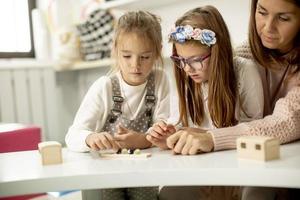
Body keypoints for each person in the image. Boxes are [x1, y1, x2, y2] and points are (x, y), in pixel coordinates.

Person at [157, 0, 300, 199]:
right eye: (262, 12)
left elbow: (287, 122)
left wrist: (211, 137)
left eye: (283, 18)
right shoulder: (247, 53)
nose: (268, 28)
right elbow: (223, 63)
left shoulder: (246, 67)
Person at [146, 5, 264, 200]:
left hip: (239, 170)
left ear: (218, 52)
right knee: (168, 193)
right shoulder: (187, 80)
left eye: (196, 60)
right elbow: (180, 126)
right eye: (180, 60)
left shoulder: (245, 72)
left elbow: (255, 131)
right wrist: (167, 138)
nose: (187, 69)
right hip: (199, 170)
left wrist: (206, 136)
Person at [65, 10, 170, 200]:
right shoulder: (104, 86)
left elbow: (164, 128)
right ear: (115, 50)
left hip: (143, 172)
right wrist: (91, 138)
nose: (135, 65)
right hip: (106, 171)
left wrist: (143, 140)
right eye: (127, 56)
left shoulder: (161, 79)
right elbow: (72, 135)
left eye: (145, 57)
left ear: (158, 52)